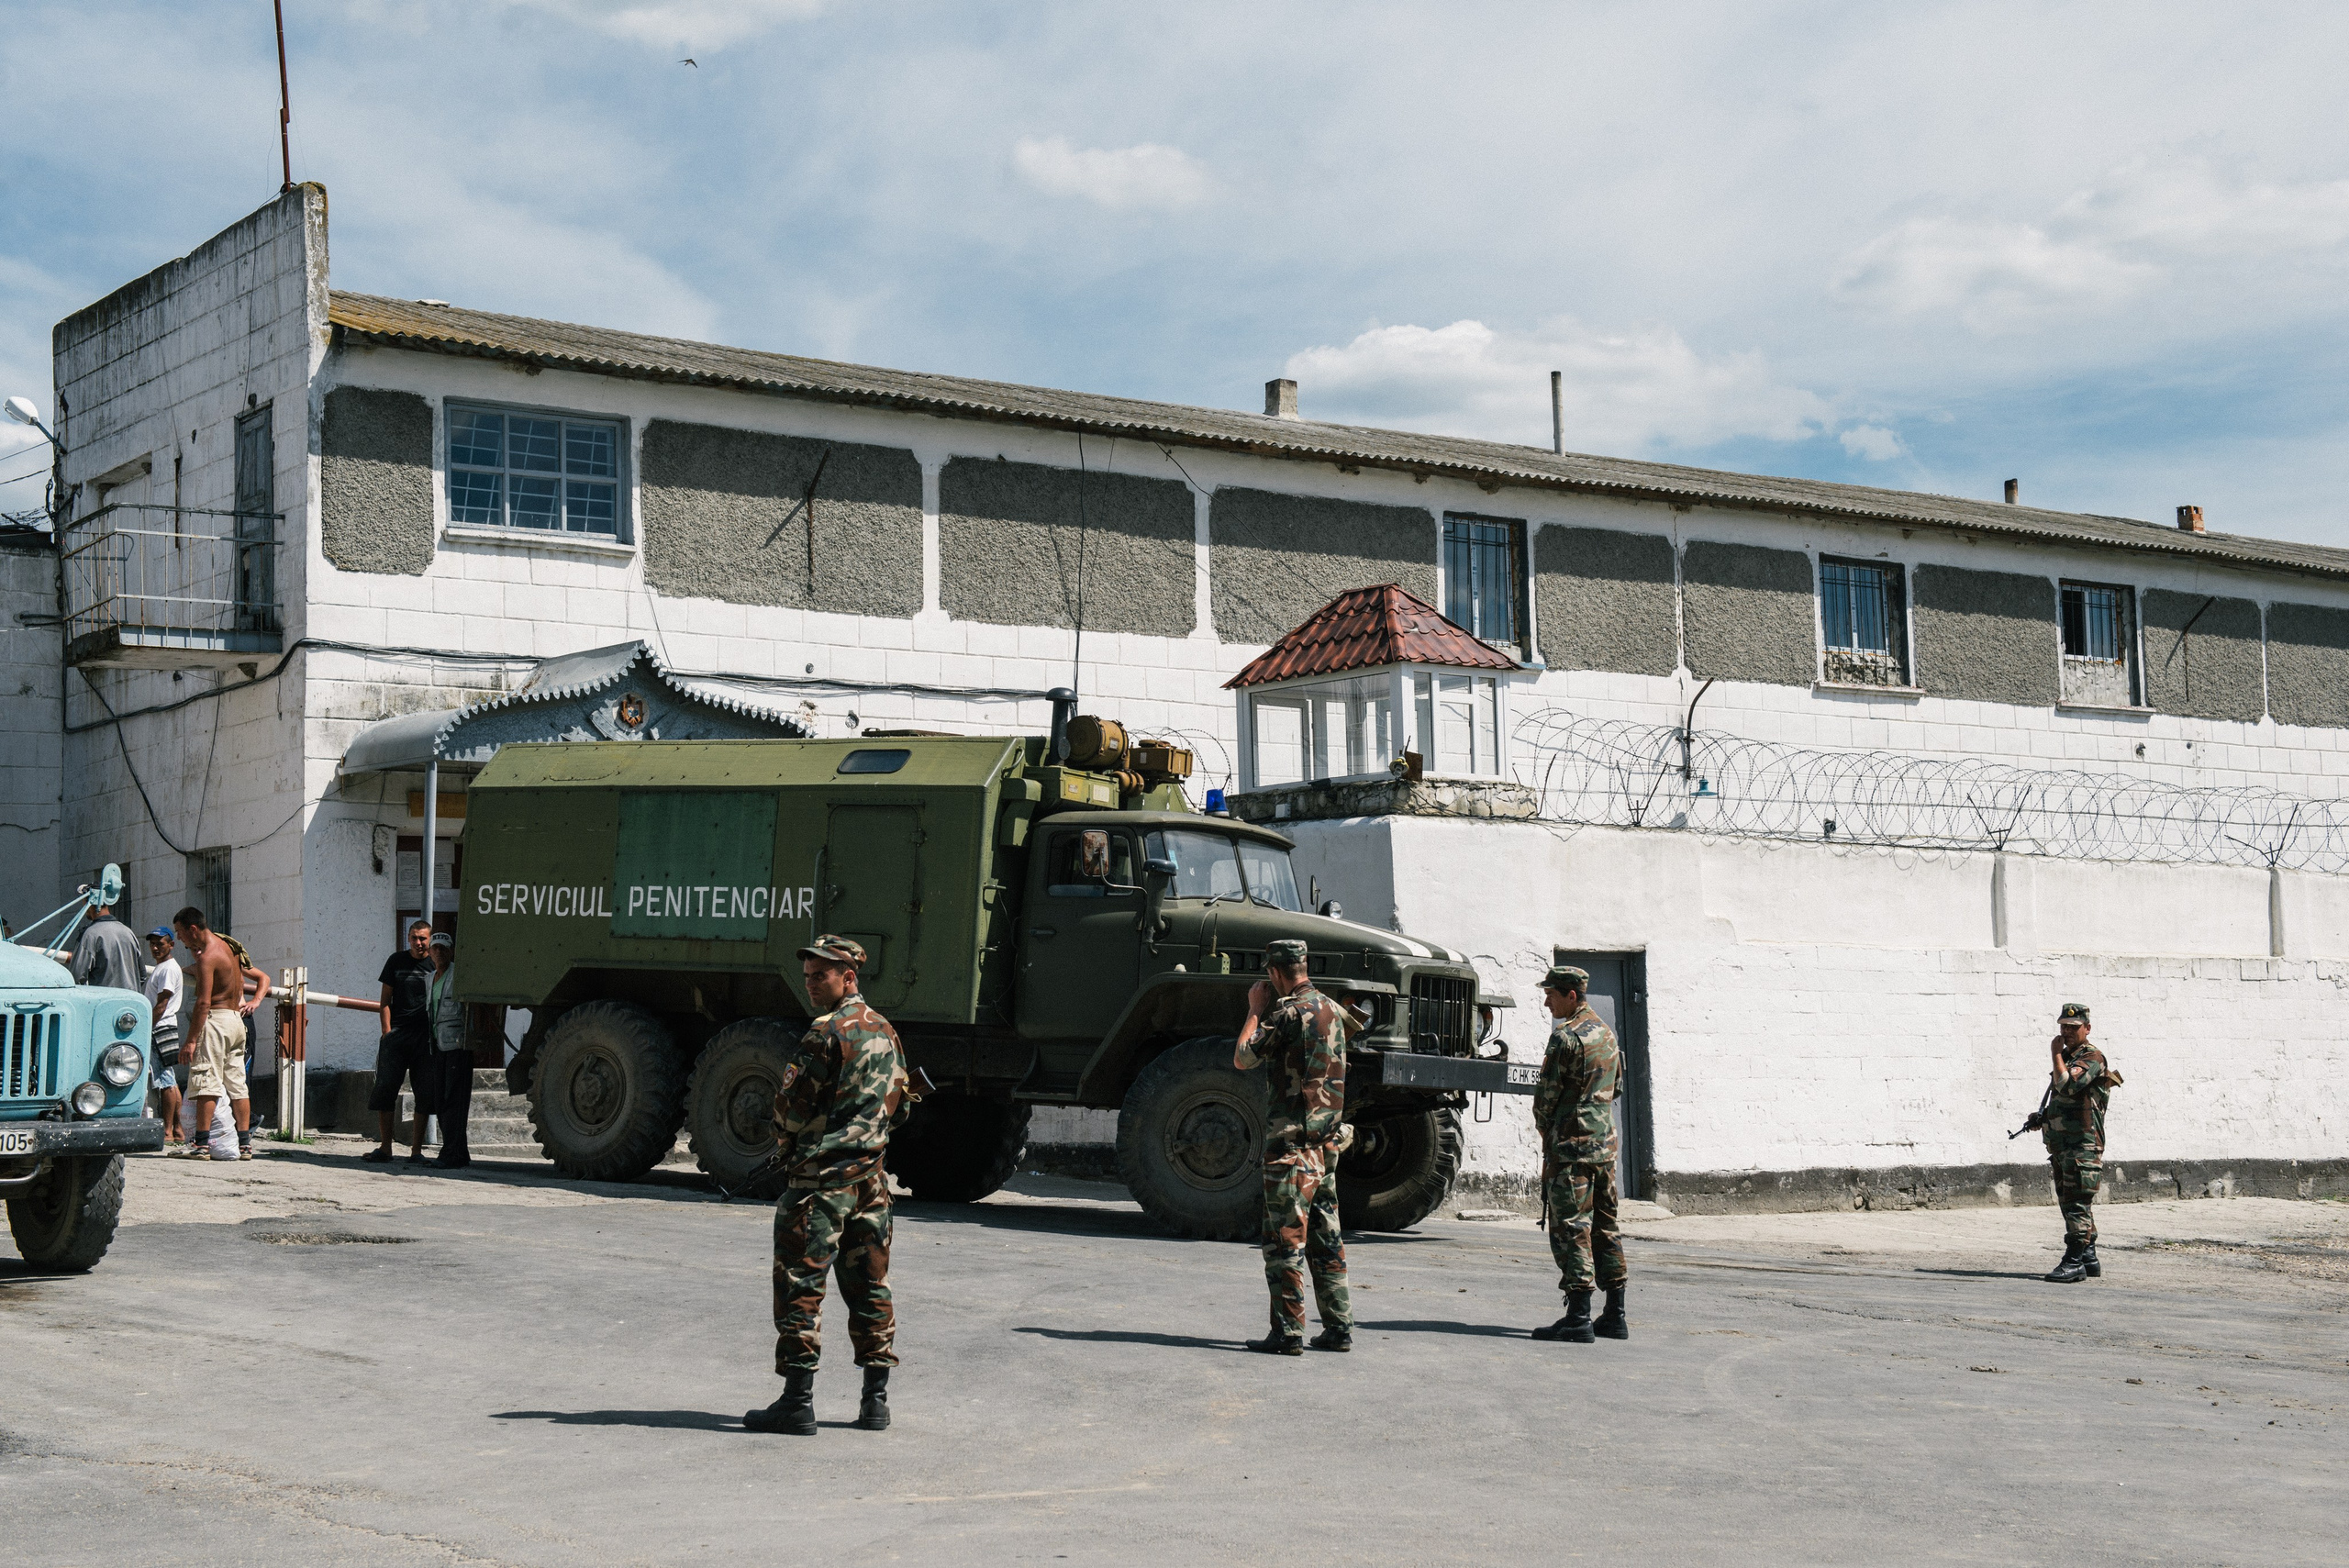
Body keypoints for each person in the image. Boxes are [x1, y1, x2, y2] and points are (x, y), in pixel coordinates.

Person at [745, 935, 910, 1437]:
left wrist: (788, 1141)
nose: (812, 984)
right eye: (809, 976)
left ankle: (797, 1402)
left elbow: (789, 1109)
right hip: (871, 1182)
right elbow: (899, 1106)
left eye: (822, 975)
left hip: (820, 1184)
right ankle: (875, 1402)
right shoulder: (885, 1031)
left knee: (801, 1287)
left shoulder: (826, 1033)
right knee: (871, 1287)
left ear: (849, 977)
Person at [1233, 938, 1354, 1356]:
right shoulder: (1333, 1009)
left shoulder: (1287, 1013)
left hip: (1292, 1149)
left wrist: (1254, 1009)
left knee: (1285, 1242)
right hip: (1326, 1145)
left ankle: (1287, 1333)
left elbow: (1243, 1058)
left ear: (1274, 972)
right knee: (1327, 1240)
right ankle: (1338, 1327)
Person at [1530, 964, 1628, 1343]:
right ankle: (1615, 1314)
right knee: (1605, 1227)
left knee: (1572, 1229)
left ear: (1572, 995)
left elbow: (1546, 1100)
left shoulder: (1565, 1038)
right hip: (1604, 1147)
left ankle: (1578, 1317)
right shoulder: (1606, 1033)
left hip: (1570, 1148)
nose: (1546, 1000)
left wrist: (1549, 1133)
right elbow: (1615, 1088)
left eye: (1551, 994)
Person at [2026, 1002, 2123, 1284]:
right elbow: (2068, 1100)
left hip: (2082, 1145)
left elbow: (2068, 1085)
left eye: (2073, 1027)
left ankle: (2073, 1261)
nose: (2066, 1032)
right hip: (2064, 1145)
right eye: (2063, 1027)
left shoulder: (2092, 1057)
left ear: (2087, 1029)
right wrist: (2043, 1118)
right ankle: (2089, 1258)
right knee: (2073, 1202)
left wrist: (2055, 1054)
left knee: (2076, 1204)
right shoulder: (2069, 1058)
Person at [171, 906, 249, 1163]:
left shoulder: (208, 956)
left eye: (180, 933)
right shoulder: (227, 946)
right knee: (237, 1084)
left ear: (193, 929)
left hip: (216, 1021)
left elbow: (203, 1002)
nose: (179, 938)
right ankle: (245, 1144)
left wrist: (191, 1040)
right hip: (236, 1020)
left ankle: (201, 1144)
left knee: (207, 1081)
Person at [366, 921, 438, 1165]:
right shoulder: (395, 961)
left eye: (423, 939)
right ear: (408, 938)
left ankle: (416, 1151)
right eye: (415, 938)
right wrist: (387, 1033)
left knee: (424, 1094)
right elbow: (385, 1000)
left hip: (425, 1040)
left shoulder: (435, 965)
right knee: (386, 1090)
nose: (419, 943)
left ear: (430, 940)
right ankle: (385, 1148)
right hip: (396, 1038)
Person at [427, 931, 473, 1170]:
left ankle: (451, 1153)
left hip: (457, 1044)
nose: (439, 953)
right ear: (430, 952)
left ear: (451, 951)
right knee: (441, 1099)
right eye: (435, 948)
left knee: (454, 1101)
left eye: (443, 949)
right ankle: (458, 1152)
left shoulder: (459, 975)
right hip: (438, 1045)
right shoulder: (429, 978)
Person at [141, 928, 184, 1145]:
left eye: (161, 944)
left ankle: (167, 1131)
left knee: (165, 1081)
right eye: (153, 944)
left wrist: (147, 1027)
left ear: (171, 945)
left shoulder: (167, 969)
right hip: (165, 1026)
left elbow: (162, 1003)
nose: (156, 948)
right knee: (170, 1080)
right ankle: (177, 1130)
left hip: (160, 1027)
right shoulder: (163, 968)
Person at [72, 898, 145, 991]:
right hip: (131, 1002)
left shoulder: (90, 935)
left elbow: (77, 977)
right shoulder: (128, 932)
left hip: (104, 1002)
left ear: (88, 903)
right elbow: (142, 975)